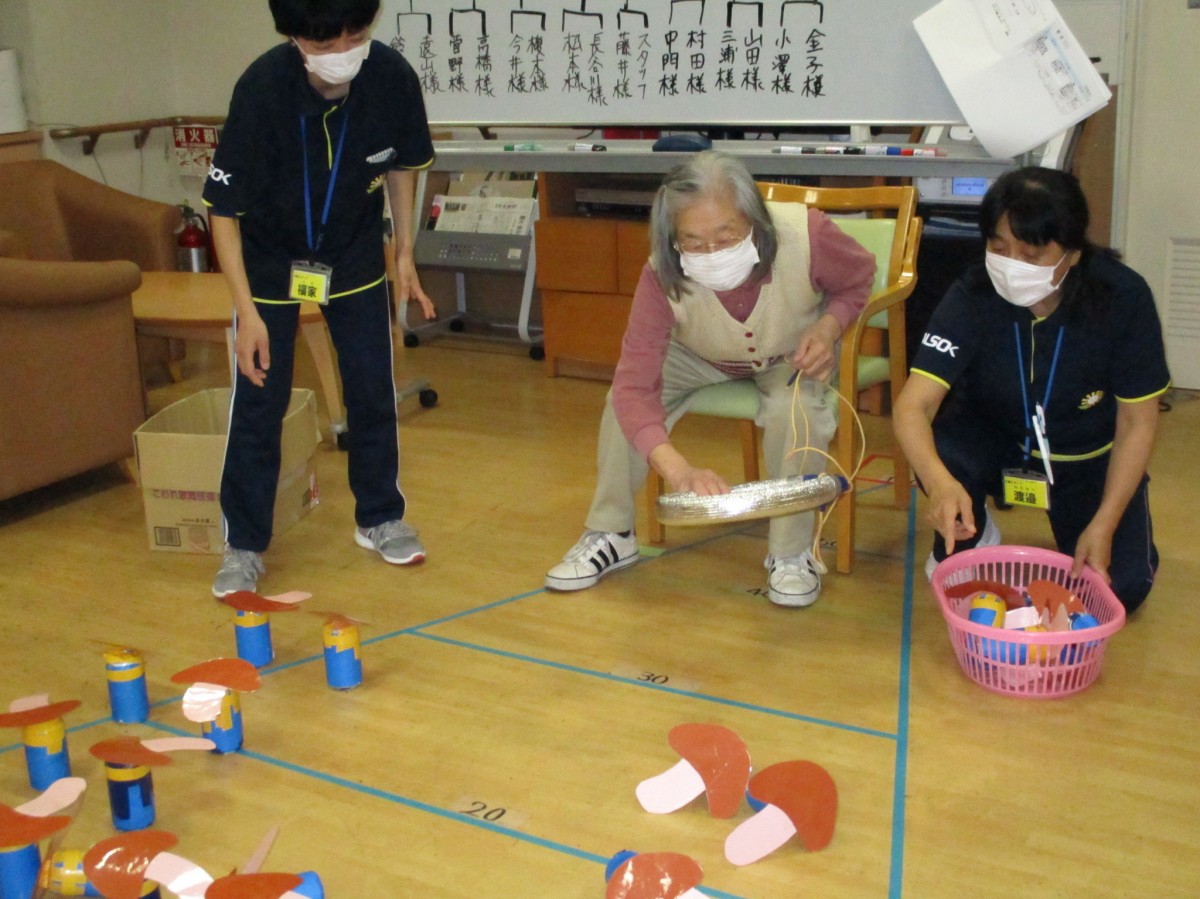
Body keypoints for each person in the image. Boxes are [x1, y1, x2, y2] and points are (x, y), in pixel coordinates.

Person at [545, 151, 876, 607]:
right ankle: (611, 532)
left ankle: (791, 552)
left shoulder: (808, 234)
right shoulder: (660, 273)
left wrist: (828, 327)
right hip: (697, 354)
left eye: (727, 236)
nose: (713, 253)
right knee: (623, 402)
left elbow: (858, 279)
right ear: (673, 240)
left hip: (789, 352)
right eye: (694, 243)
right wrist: (679, 471)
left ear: (754, 220)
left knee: (796, 410)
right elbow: (635, 387)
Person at [204, 0, 436, 597]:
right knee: (261, 399)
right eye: (325, 44)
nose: (343, 54)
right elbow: (222, 211)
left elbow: (402, 167)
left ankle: (380, 517)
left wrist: (404, 251)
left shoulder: (391, 78)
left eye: (355, 37)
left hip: (354, 253)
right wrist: (247, 312)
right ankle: (243, 544)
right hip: (270, 263)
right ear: (294, 38)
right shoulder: (261, 90)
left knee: (372, 386)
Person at [893, 166, 1169, 613]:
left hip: (1084, 459)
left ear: (1072, 254)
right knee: (944, 449)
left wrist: (1104, 523)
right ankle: (974, 528)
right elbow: (912, 407)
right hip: (998, 443)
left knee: (1121, 589)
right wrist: (940, 484)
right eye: (999, 248)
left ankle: (1099, 522)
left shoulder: (1123, 298)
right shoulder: (973, 293)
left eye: (1031, 254)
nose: (1011, 266)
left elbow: (1138, 424)